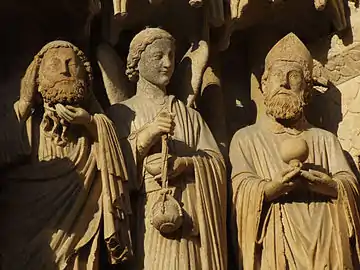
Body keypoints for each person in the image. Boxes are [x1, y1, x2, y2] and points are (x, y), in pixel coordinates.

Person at [229, 33, 360, 269]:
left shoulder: (324, 140)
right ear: (264, 84)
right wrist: (269, 189)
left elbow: (349, 184)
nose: (284, 83)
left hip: (326, 242)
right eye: (277, 76)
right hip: (275, 242)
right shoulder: (246, 139)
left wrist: (328, 185)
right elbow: (239, 190)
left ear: (307, 89)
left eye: (293, 76)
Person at [0, 41, 132, 269]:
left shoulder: (95, 131)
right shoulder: (25, 123)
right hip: (21, 234)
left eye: (72, 64)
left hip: (77, 236)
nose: (65, 70)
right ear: (37, 78)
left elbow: (121, 168)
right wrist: (23, 104)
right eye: (55, 64)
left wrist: (90, 123)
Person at [107, 28, 227, 270]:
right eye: (158, 56)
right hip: (146, 217)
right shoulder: (121, 113)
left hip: (189, 217)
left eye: (172, 56)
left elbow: (217, 164)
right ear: (136, 63)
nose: (167, 63)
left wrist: (185, 164)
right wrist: (146, 135)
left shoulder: (189, 116)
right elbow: (111, 173)